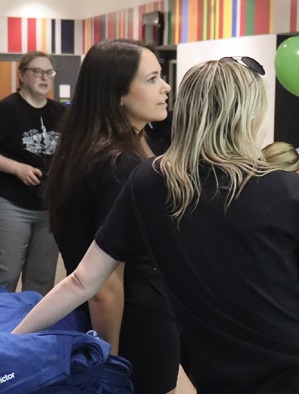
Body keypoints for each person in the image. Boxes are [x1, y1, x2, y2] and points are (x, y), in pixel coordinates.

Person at [13, 57, 299, 393]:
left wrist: (13, 340)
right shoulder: (294, 192)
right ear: (249, 116)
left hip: (216, 378)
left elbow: (80, 280)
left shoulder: (149, 182)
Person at [44, 39, 179, 393]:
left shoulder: (88, 150)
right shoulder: (119, 167)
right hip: (132, 323)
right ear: (118, 93)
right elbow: (104, 285)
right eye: (151, 79)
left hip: (119, 319)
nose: (165, 88)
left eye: (161, 77)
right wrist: (108, 364)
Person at [0, 51, 65, 295]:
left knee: (42, 278)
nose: (44, 77)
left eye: (49, 72)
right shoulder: (7, 109)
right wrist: (17, 168)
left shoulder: (61, 113)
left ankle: (33, 328)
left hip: (49, 206)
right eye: (37, 71)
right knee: (6, 273)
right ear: (22, 75)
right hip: (12, 204)